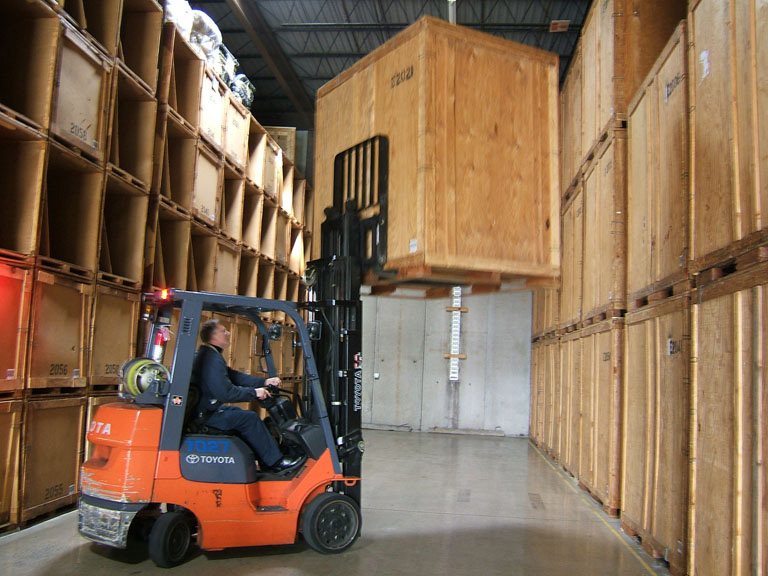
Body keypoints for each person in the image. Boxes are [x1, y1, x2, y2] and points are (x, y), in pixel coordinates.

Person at [191, 318, 300, 471]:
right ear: (214, 337)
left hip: (207, 411)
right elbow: (225, 393)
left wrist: (264, 382)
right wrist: (254, 393)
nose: (228, 333)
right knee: (250, 419)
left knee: (241, 414)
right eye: (223, 331)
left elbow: (235, 377)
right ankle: (274, 463)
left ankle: (266, 459)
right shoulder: (211, 359)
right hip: (206, 415)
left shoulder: (210, 355)